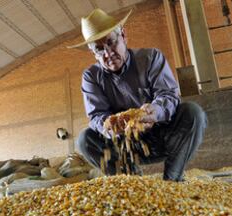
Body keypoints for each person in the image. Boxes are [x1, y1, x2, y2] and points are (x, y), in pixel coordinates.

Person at [69, 8, 207, 181]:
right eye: (99, 49)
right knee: (84, 139)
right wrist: (110, 126)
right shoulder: (91, 77)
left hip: (161, 137)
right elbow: (97, 116)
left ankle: (173, 180)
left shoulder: (151, 58)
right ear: (93, 53)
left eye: (111, 43)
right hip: (124, 146)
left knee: (193, 113)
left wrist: (154, 111)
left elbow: (168, 95)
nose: (108, 54)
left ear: (124, 36)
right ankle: (132, 183)